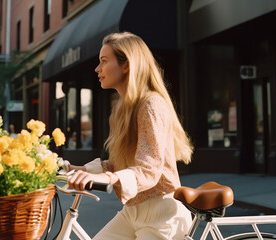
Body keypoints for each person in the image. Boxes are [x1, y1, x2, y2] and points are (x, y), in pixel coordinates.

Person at [67, 32, 194, 239]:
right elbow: (120, 164)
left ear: (126, 65)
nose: (97, 69)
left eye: (104, 61)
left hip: (162, 214)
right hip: (133, 211)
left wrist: (105, 177)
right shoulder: (123, 110)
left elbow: (149, 168)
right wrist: (77, 171)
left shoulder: (151, 104)